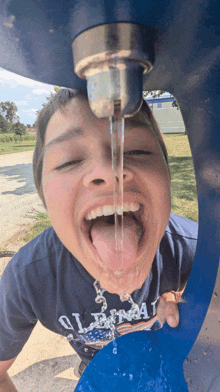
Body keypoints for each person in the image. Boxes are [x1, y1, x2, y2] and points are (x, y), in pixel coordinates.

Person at [0, 89, 198, 390]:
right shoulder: (28, 278)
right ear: (44, 199)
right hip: (95, 362)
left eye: (135, 151)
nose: (109, 170)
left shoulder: (193, 249)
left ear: (168, 176)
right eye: (68, 160)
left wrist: (183, 297)